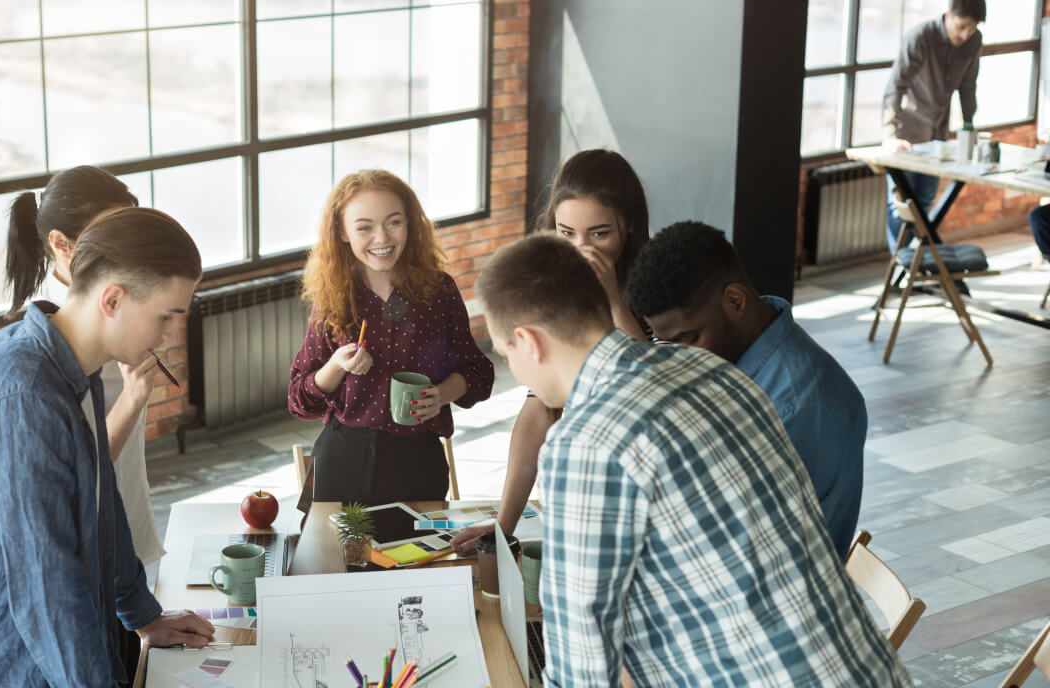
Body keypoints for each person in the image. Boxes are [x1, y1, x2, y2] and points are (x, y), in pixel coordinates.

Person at [475, 234, 912, 687]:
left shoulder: (585, 443)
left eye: (505, 352)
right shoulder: (716, 371)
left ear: (527, 341)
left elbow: (580, 670)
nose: (514, 368)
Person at [0, 208, 214, 687]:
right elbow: (47, 589)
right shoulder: (22, 396)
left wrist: (143, 616)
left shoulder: (76, 367)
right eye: (166, 316)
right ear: (113, 299)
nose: (172, 336)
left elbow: (101, 499)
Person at [3, 165, 166, 673]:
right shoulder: (45, 354)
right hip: (86, 565)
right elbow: (79, 472)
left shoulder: (114, 315)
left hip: (124, 543)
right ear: (62, 244)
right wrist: (135, 396)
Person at [626, 220, 866, 554]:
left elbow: (745, 548)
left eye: (688, 339)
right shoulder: (727, 364)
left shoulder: (801, 405)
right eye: (667, 345)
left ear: (735, 301)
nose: (678, 361)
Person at [453, 149, 648, 554]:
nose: (581, 250)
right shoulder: (551, 285)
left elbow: (657, 383)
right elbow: (538, 408)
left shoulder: (654, 284)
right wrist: (503, 527)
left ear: (627, 225)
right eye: (566, 234)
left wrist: (612, 298)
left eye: (599, 233)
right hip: (587, 495)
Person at [288, 169, 494, 506]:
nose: (381, 238)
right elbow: (299, 399)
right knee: (332, 560)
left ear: (410, 224)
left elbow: (479, 374)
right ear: (342, 231)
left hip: (417, 462)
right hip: (342, 463)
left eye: (393, 222)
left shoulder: (439, 292)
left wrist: (441, 394)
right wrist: (336, 366)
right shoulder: (333, 296)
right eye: (365, 227)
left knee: (422, 558)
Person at [882, 0, 986, 249]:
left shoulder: (973, 42)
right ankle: (902, 268)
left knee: (926, 200)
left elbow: (968, 86)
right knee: (902, 204)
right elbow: (895, 86)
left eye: (971, 29)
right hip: (906, 134)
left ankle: (918, 267)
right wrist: (890, 135)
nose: (966, 34)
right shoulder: (920, 38)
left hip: (938, 135)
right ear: (949, 15)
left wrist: (969, 127)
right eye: (962, 26)